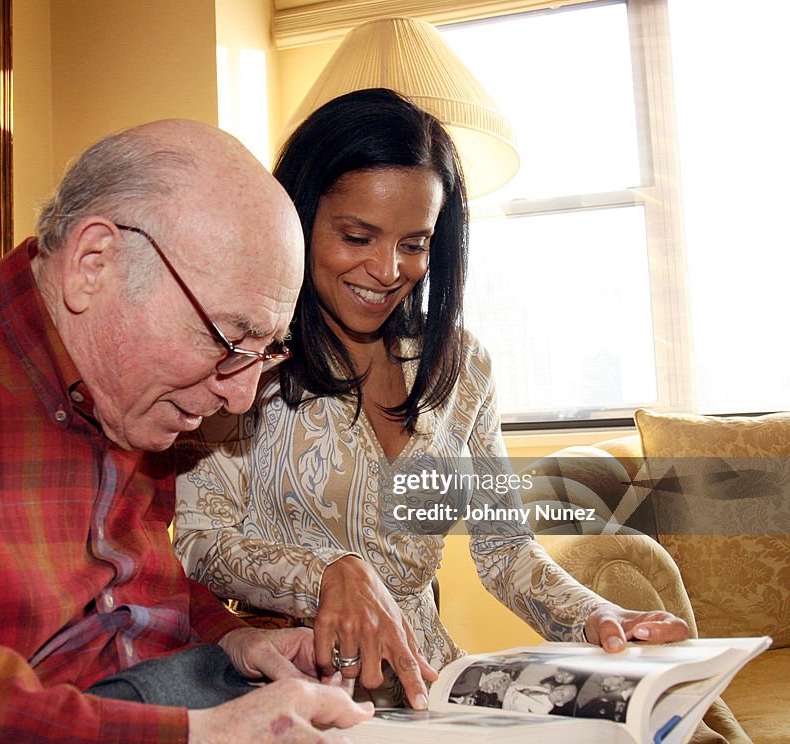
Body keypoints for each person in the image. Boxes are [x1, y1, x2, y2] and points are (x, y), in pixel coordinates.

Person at [0, 120, 373, 742]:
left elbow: (127, 589)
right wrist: (198, 736)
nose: (239, 394)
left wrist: (229, 639)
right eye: (226, 339)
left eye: (266, 351)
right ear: (93, 263)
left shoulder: (138, 400)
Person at [173, 88, 688, 710]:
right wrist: (330, 575)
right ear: (299, 217)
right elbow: (199, 543)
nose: (388, 270)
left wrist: (598, 618)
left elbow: (503, 548)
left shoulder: (460, 366)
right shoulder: (246, 359)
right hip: (290, 685)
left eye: (414, 244)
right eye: (357, 236)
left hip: (434, 686)